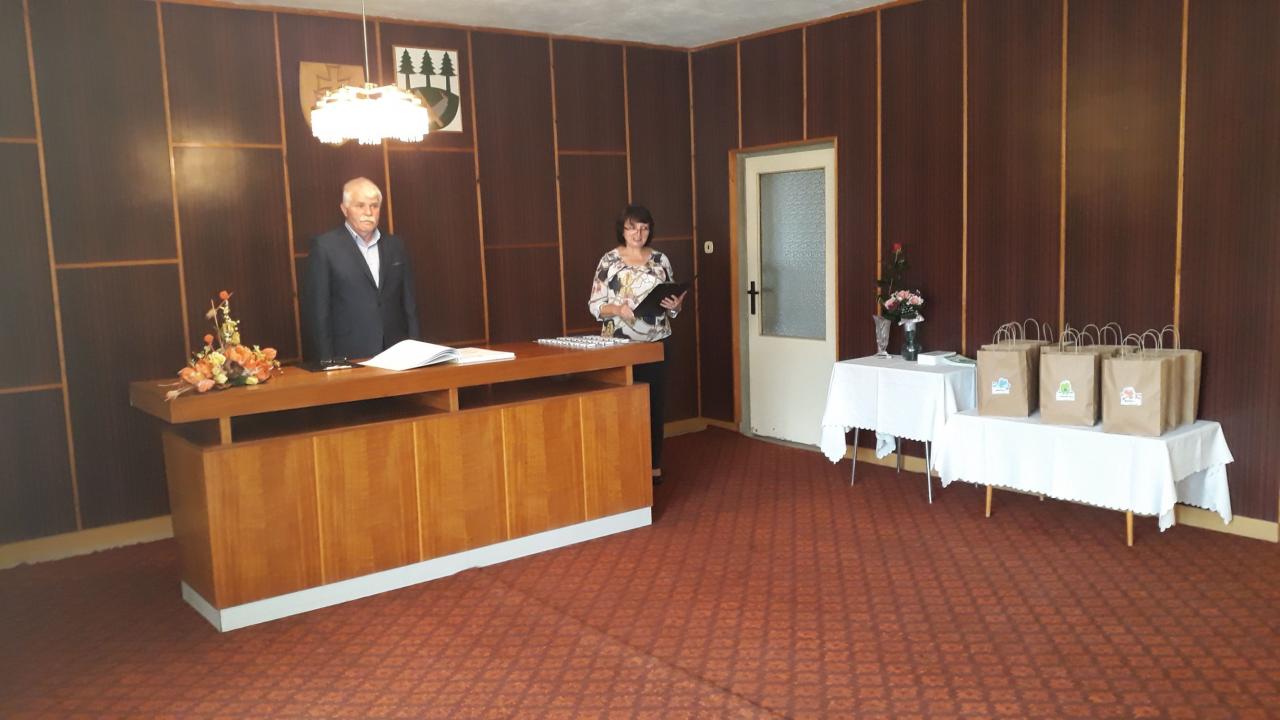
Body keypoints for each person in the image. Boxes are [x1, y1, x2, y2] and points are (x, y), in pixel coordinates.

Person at [588, 205, 686, 484]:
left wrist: (676, 306)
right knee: (622, 406)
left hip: (656, 342)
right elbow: (595, 305)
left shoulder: (660, 259)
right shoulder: (609, 261)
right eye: (632, 228)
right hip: (618, 345)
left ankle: (653, 466)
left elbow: (672, 304)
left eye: (644, 228)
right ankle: (624, 467)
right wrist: (618, 309)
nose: (638, 234)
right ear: (622, 230)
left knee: (654, 404)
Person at [301, 177, 420, 361]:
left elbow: (409, 305)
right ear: (344, 209)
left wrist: (417, 350)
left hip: (397, 351)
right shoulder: (325, 247)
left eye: (374, 206)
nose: (368, 212)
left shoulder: (396, 245)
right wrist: (327, 361)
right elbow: (319, 312)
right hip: (349, 353)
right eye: (360, 205)